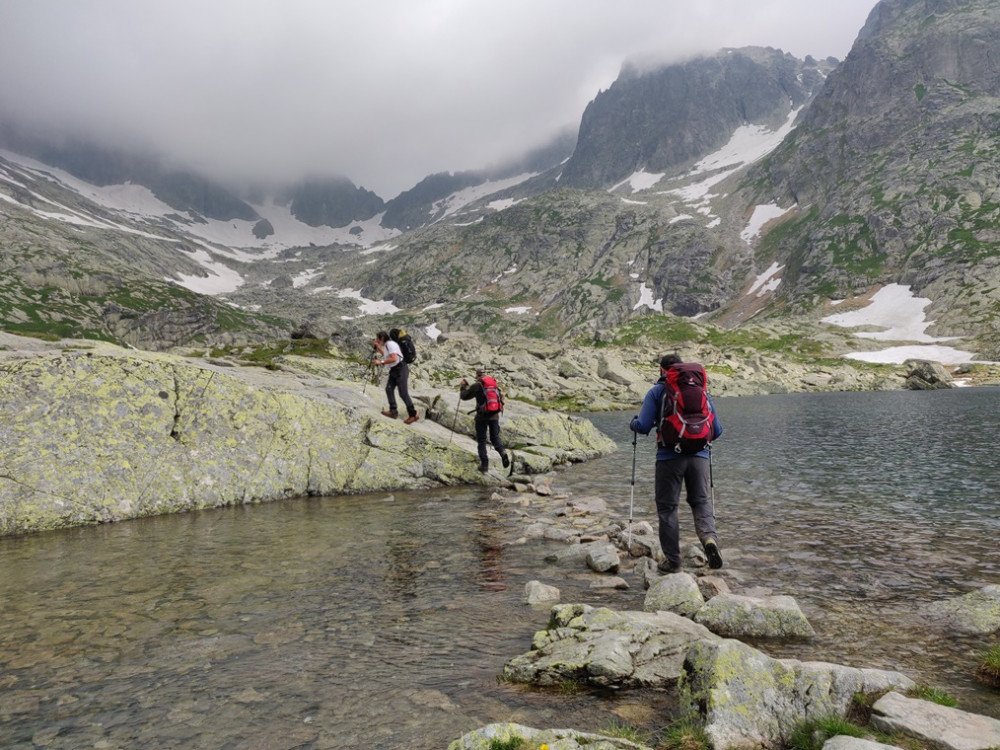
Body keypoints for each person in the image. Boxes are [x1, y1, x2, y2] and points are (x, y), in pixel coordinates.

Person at [630, 353, 723, 573]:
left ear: (663, 370)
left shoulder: (657, 392)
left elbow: (643, 426)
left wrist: (633, 423)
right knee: (700, 501)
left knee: (668, 508)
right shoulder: (701, 392)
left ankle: (673, 561)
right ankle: (709, 539)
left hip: (669, 457)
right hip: (699, 456)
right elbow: (717, 431)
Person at [459, 368, 509, 473]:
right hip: (495, 415)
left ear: (477, 376)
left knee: (482, 440)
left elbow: (464, 396)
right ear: (485, 375)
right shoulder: (494, 385)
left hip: (482, 416)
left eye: (476, 376)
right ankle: (502, 452)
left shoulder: (477, 385)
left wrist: (463, 386)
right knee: (495, 437)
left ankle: (484, 465)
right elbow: (502, 399)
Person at [373, 330, 419, 424]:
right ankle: (393, 411)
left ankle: (413, 415)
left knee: (403, 393)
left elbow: (394, 358)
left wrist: (381, 362)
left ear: (382, 338)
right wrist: (378, 347)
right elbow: (386, 356)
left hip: (400, 369)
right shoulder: (387, 345)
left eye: (377, 339)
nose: (376, 340)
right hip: (395, 369)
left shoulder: (390, 344)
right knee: (389, 389)